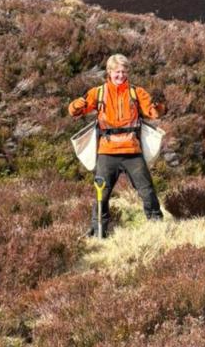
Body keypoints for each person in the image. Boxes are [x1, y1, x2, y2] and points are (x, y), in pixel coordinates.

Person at [68, 54, 164, 233]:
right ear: (109, 72)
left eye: (124, 71)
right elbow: (75, 112)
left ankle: (157, 227)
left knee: (147, 191)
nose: (121, 75)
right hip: (107, 151)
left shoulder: (137, 92)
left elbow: (152, 113)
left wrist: (158, 107)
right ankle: (98, 231)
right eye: (117, 72)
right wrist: (76, 105)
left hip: (132, 151)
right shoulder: (99, 92)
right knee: (101, 195)